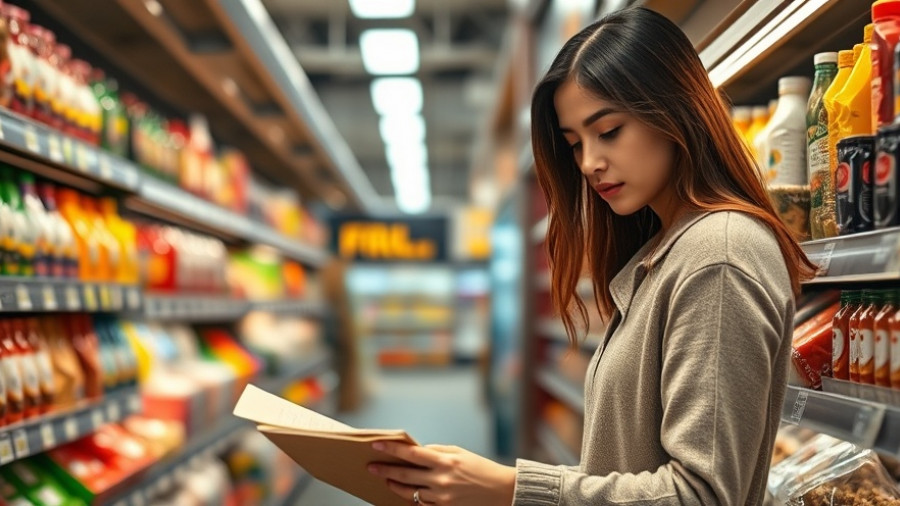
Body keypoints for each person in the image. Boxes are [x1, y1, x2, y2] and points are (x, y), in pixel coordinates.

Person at [366, 7, 816, 505]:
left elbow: (700, 495)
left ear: (673, 110)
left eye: (609, 131)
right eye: (575, 143)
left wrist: (508, 488)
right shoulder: (667, 252)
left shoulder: (719, 255)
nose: (589, 163)